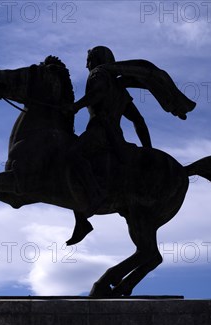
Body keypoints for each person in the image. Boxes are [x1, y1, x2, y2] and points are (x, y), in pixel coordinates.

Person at [65, 46, 195, 245]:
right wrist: (148, 149)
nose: (86, 64)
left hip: (98, 134)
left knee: (68, 158)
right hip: (116, 138)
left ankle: (83, 216)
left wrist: (76, 106)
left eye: (89, 59)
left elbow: (96, 95)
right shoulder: (118, 88)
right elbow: (138, 121)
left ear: (97, 59)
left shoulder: (97, 74)